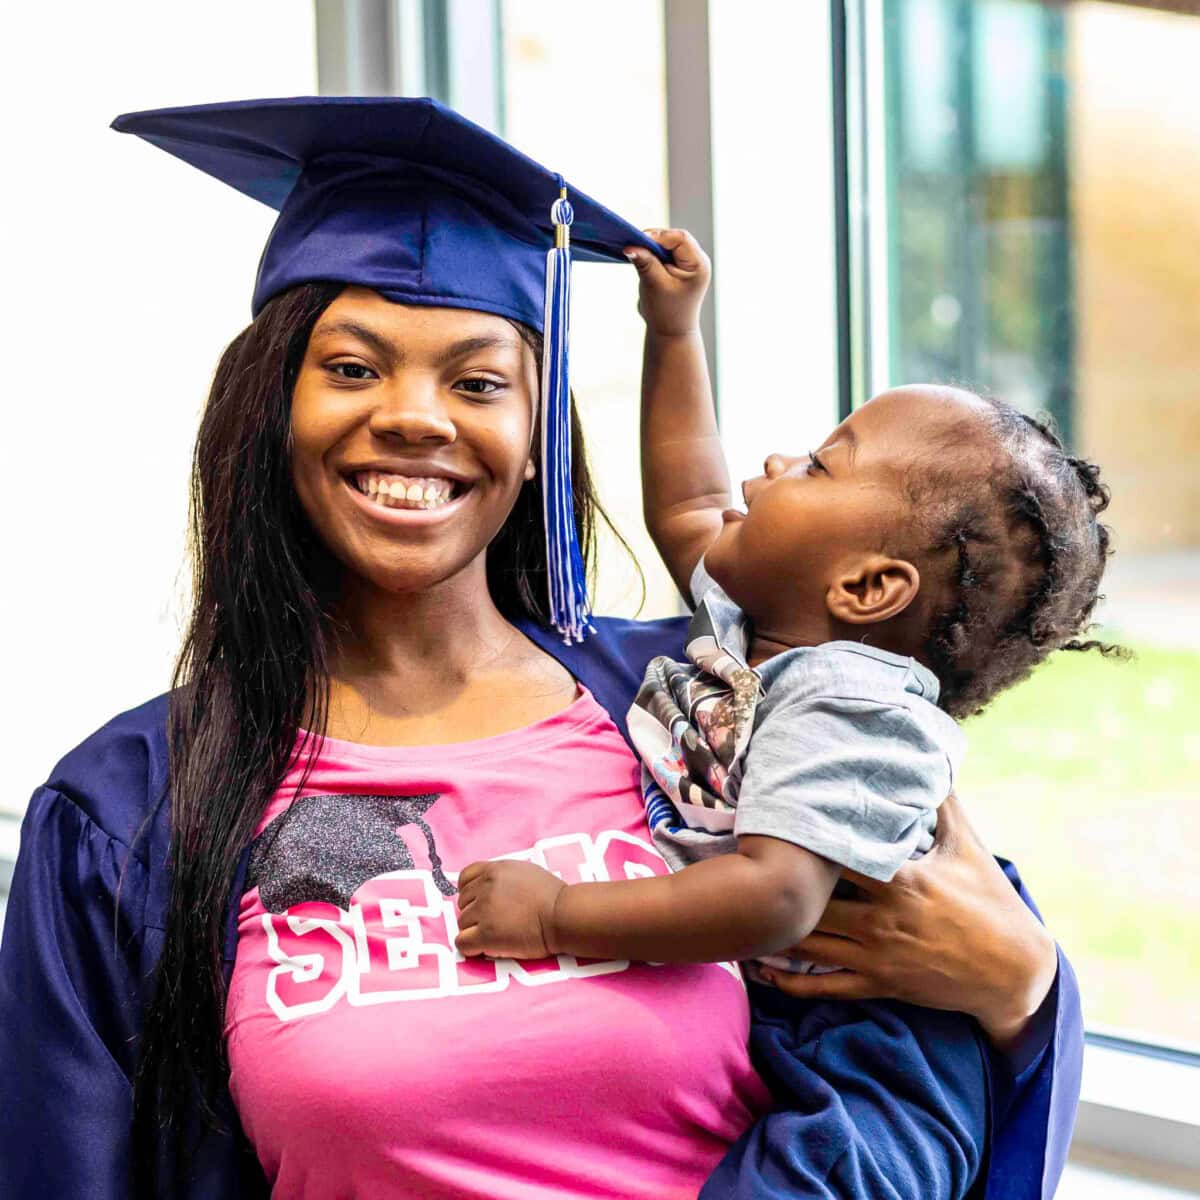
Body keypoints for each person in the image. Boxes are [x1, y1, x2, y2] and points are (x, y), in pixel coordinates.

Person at [0, 97, 1079, 1200]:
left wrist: (1024, 985)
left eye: (477, 381)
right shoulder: (128, 815)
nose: (417, 417)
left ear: (532, 449)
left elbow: (920, 1056)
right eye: (354, 368)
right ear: (271, 410)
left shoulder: (709, 711)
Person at [454, 229, 1117, 988]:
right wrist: (673, 331)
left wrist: (557, 914)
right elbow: (690, 506)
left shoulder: (847, 708)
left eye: (819, 465)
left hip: (843, 1041)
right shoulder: (756, 637)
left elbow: (776, 897)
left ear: (867, 589)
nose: (775, 463)